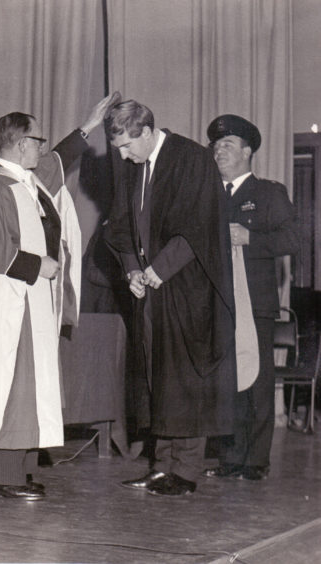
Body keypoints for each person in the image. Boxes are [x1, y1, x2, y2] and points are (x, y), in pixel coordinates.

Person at [0, 93, 120, 500]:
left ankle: (20, 471)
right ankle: (2, 477)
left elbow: (58, 159)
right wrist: (37, 265)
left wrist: (89, 126)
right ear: (20, 143)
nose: (42, 147)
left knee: (31, 385)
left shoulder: (27, 181)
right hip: (6, 306)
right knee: (13, 384)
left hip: (31, 303)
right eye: (38, 140)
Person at [104, 100, 236, 496]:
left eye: (128, 146)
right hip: (150, 286)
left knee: (185, 377)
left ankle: (186, 471)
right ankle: (161, 467)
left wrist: (159, 270)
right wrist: (131, 269)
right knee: (155, 377)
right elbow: (122, 225)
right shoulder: (134, 166)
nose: (124, 156)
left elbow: (198, 226)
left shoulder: (191, 158)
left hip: (186, 286)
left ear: (146, 132)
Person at [204, 114, 299, 481]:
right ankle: (229, 457)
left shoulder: (268, 193)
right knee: (226, 383)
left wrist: (251, 239)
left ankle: (255, 461)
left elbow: (291, 240)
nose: (219, 152)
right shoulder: (209, 193)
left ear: (247, 151)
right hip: (217, 304)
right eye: (216, 146)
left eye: (227, 145)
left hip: (255, 305)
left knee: (256, 382)